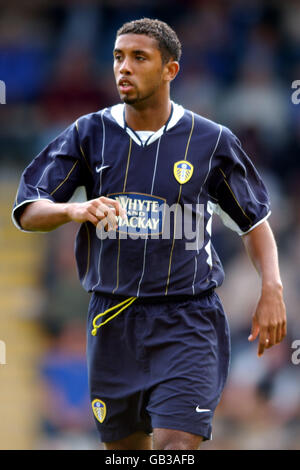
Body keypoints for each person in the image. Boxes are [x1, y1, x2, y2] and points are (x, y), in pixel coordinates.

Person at [12, 18, 287, 450]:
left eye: (139, 57)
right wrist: (73, 208)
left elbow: (256, 223)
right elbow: (29, 209)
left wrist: (272, 286)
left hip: (188, 318)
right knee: (126, 454)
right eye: (118, 57)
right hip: (113, 317)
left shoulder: (211, 141)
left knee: (176, 448)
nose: (124, 67)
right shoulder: (89, 133)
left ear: (169, 70)